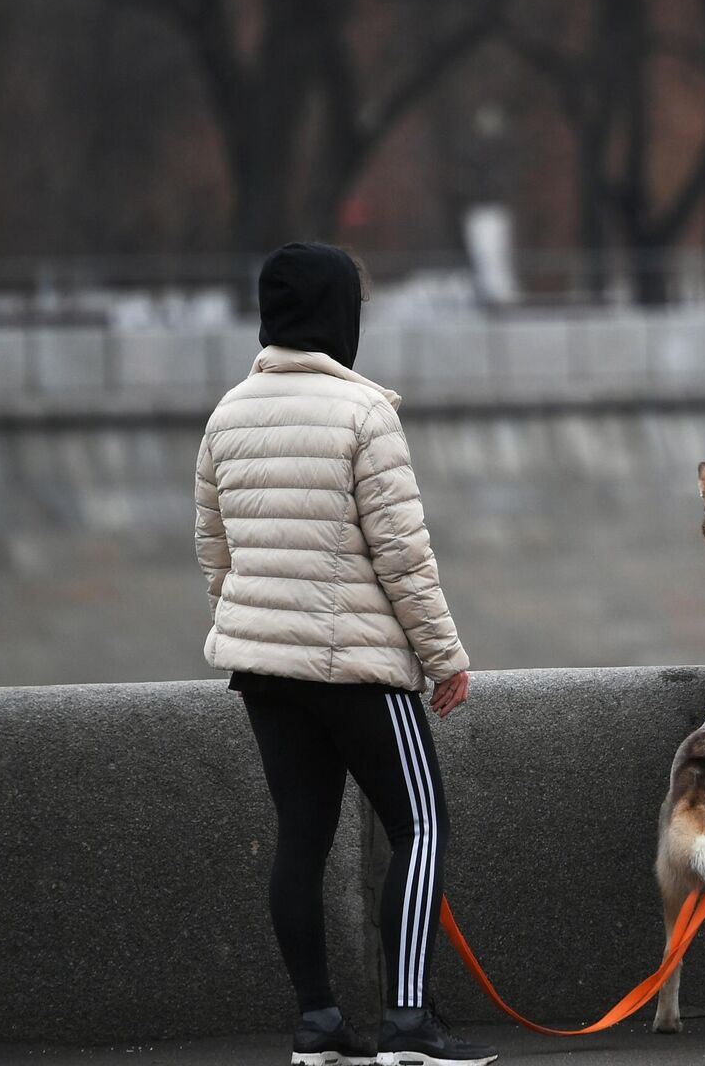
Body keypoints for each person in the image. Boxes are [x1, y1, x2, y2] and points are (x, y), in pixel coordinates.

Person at [195, 242, 497, 1066]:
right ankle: (408, 1024)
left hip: (263, 670)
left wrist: (254, 625)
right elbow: (403, 555)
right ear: (339, 318)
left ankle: (318, 1026)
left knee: (302, 836)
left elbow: (213, 550)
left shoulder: (226, 415)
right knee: (422, 825)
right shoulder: (365, 416)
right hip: (357, 668)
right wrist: (445, 659)